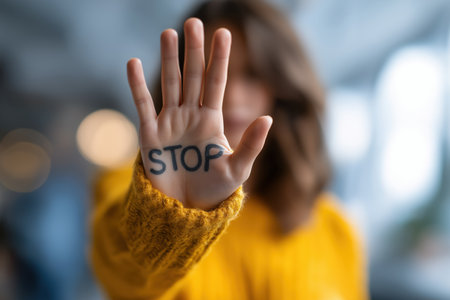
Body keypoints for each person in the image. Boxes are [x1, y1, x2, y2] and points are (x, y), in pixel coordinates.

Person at [90, 1, 368, 299]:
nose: (232, 95)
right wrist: (169, 211)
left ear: (283, 86)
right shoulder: (131, 189)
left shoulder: (334, 229)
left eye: (253, 74)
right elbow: (123, 276)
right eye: (213, 75)